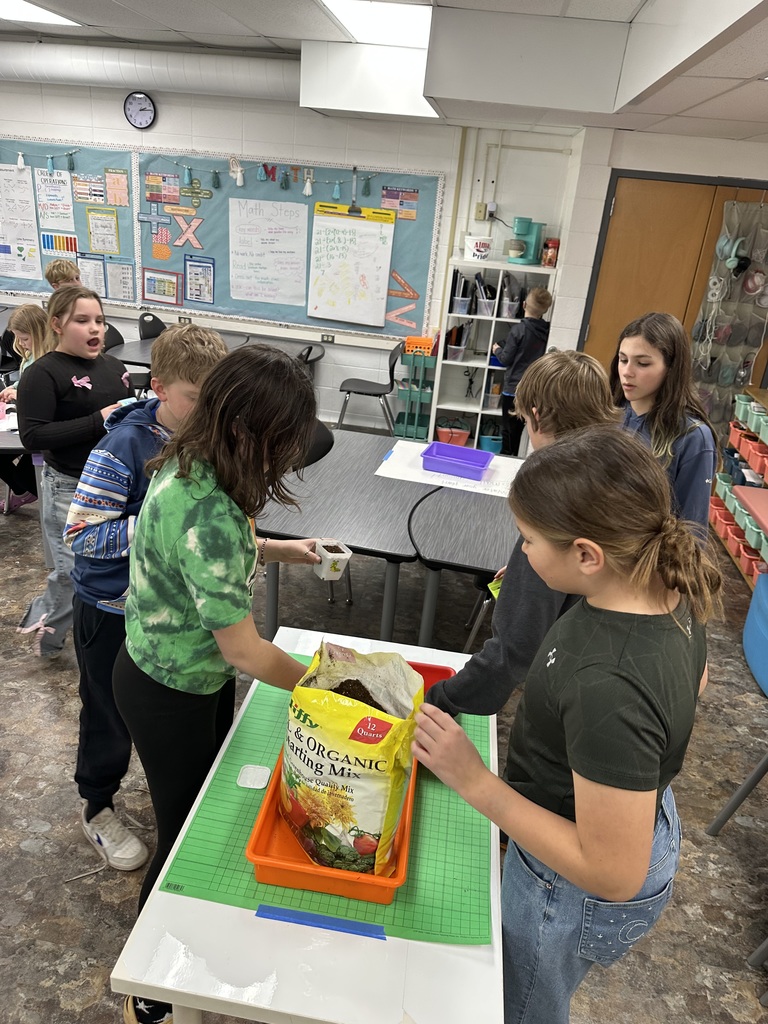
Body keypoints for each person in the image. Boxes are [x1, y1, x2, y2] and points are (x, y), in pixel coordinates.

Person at [413, 425, 722, 1024]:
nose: (521, 553)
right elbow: (697, 680)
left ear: (586, 554)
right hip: (615, 818)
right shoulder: (661, 583)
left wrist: (474, 779)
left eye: (527, 540)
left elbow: (612, 872)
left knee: (522, 1008)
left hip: (567, 885)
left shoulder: (610, 682)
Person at [113, 345, 323, 1024]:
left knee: (199, 814)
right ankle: (149, 989)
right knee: (182, 835)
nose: (292, 455)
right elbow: (247, 652)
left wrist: (281, 548)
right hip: (168, 690)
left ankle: (183, 960)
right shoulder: (211, 511)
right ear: (246, 431)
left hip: (176, 675)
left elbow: (203, 554)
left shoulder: (193, 463)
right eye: (286, 441)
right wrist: (326, 687)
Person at [63, 325, 229, 873]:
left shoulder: (198, 439)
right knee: (108, 715)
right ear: (159, 387)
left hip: (164, 618)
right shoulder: (122, 447)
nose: (207, 415)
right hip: (110, 613)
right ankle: (98, 806)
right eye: (194, 401)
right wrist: (157, 524)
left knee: (165, 722)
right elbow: (82, 535)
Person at [426, 350, 620, 718]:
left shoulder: (556, 491)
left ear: (534, 415)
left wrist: (434, 703)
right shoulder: (610, 468)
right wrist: (524, 563)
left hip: (569, 693)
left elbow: (511, 652)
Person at [16, 286, 132, 658]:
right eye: (82, 321)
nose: (94, 329)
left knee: (107, 569)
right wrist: (97, 421)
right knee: (71, 572)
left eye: (99, 320)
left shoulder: (114, 368)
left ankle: (97, 634)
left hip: (116, 487)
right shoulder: (42, 373)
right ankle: (47, 638)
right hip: (69, 485)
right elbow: (34, 436)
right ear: (57, 324)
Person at [610, 311, 718, 531]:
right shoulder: (609, 414)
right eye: (623, 360)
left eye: (642, 363)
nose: (627, 372)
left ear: (671, 369)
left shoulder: (693, 437)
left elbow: (692, 531)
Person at [492, 285, 552, 456]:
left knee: (508, 432)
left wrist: (496, 349)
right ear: (544, 310)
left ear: (524, 305)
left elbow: (505, 359)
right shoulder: (547, 330)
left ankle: (506, 458)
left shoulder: (518, 330)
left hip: (513, 390)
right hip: (532, 391)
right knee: (522, 430)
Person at [0, 304, 50, 507]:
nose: (21, 344)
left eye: (25, 338)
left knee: (24, 475)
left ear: (39, 332)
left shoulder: (51, 359)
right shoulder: (30, 357)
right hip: (21, 421)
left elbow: (46, 396)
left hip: (40, 428)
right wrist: (14, 387)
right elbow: (27, 379)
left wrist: (19, 394)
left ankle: (29, 490)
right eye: (18, 339)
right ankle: (24, 491)